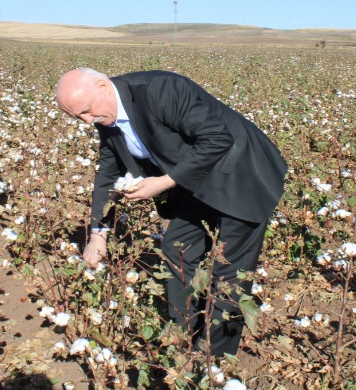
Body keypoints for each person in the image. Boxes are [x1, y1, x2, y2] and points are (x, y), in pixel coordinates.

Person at [55, 68, 287, 357]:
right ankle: (183, 337)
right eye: (79, 118)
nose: (88, 121)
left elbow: (217, 138)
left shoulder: (159, 90)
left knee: (230, 273)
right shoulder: (104, 115)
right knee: (176, 250)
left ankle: (216, 359)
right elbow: (108, 172)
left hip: (240, 174)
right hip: (195, 179)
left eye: (87, 112)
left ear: (103, 86)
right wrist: (98, 235)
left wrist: (164, 182)